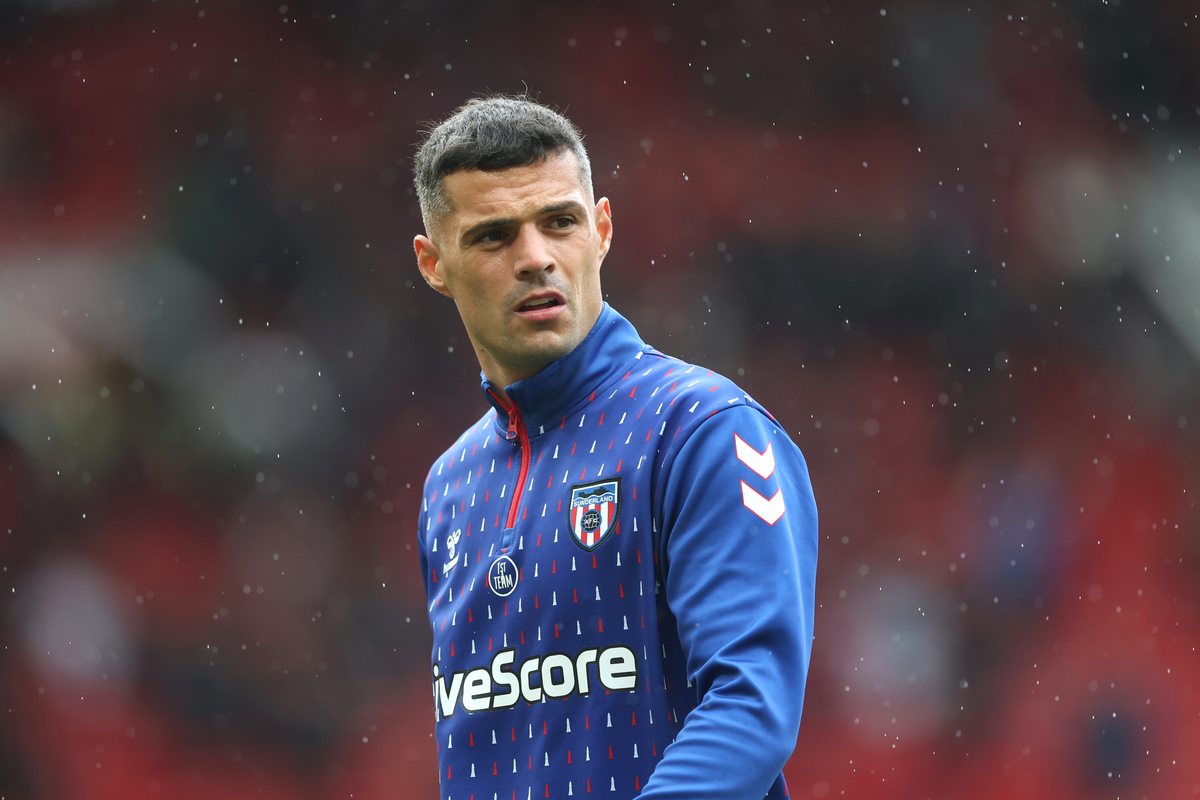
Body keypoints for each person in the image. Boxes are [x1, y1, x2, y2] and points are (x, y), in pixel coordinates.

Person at [411, 96, 818, 800]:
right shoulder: (450, 486)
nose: (535, 258)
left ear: (600, 230)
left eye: (559, 223)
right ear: (434, 263)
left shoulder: (702, 430)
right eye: (493, 236)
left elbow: (753, 707)